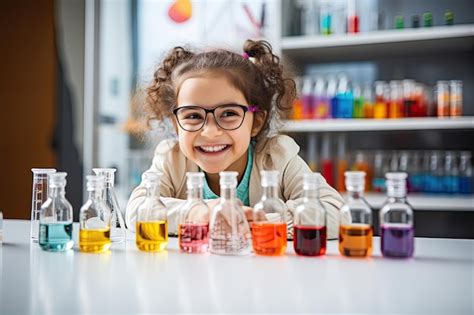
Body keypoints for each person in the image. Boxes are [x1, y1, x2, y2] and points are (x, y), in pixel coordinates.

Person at [126, 39, 344, 239]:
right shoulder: (171, 158)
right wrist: (199, 212)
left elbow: (337, 214)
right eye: (193, 116)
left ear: (256, 121)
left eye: (229, 114)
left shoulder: (277, 156)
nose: (210, 132)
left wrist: (261, 222)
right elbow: (136, 211)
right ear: (176, 124)